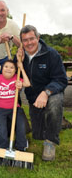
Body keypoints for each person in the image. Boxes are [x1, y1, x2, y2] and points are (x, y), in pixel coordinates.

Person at [16, 25, 68, 160]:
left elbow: (61, 79)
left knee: (55, 102)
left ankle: (51, 141)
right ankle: (53, 122)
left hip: (50, 94)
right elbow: (12, 75)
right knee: (37, 134)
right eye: (25, 40)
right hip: (33, 99)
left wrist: (46, 92)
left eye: (31, 39)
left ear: (38, 38)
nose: (29, 43)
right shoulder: (21, 57)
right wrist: (17, 62)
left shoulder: (51, 54)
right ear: (21, 42)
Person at [0, 59, 30, 151]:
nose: (8, 69)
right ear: (1, 68)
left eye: (12, 67)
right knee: (2, 129)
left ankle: (21, 146)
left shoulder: (17, 78)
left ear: (15, 70)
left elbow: (27, 83)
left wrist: (22, 69)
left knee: (21, 126)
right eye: (6, 67)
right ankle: (2, 146)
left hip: (14, 108)